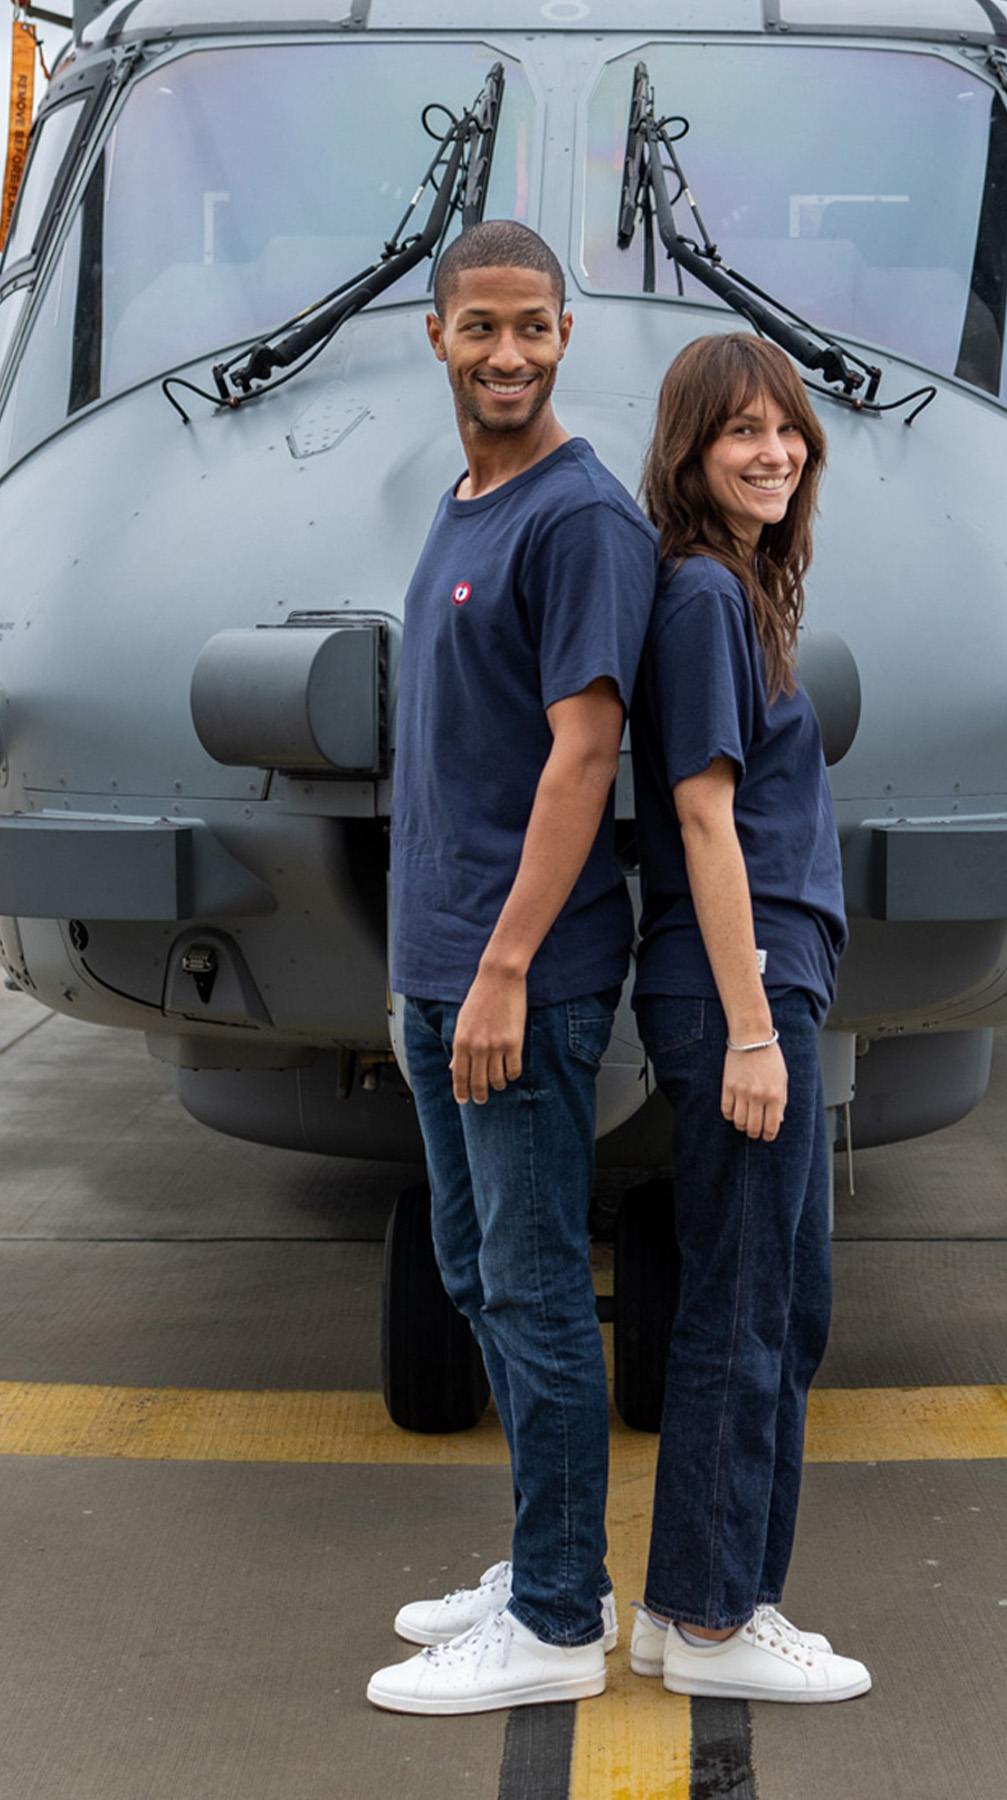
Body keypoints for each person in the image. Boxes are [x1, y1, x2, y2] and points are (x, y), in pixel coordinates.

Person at [367, 221, 657, 1717]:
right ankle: (550, 1561)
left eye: (533, 327)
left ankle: (554, 1621)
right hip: (447, 972)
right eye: (481, 327)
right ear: (437, 335)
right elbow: (446, 763)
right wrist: (422, 970)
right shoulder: (466, 502)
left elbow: (584, 750)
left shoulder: (578, 519)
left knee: (536, 1287)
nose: (508, 354)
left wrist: (495, 972)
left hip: (518, 982)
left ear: (565, 334)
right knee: (482, 1272)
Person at [625, 333, 871, 1703]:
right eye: (741, 433)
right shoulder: (707, 597)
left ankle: (687, 1608)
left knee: (779, 1303)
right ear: (692, 451)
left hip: (759, 980)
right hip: (745, 988)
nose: (773, 450)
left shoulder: (731, 588)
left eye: (786, 430)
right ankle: (722, 1627)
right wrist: (758, 1029)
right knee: (748, 1312)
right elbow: (704, 816)